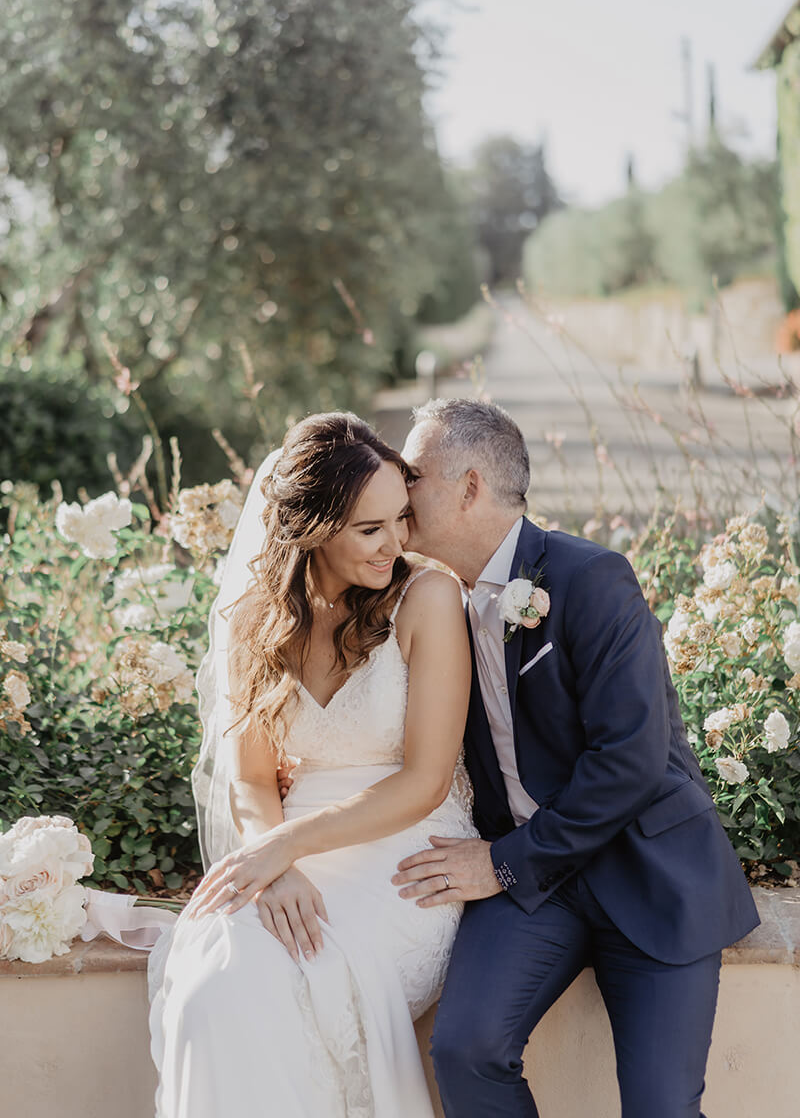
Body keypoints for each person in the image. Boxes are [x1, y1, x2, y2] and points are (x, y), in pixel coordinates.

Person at [391, 397, 760, 1118]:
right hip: (536, 886)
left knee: (661, 1108)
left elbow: (631, 759)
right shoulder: (427, 598)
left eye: (414, 473)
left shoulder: (591, 578)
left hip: (648, 872)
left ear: (468, 486)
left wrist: (502, 862)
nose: (399, 490)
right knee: (464, 1051)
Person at [148, 412, 477, 1118]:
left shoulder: (429, 598)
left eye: (402, 520)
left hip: (404, 848)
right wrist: (277, 867)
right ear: (313, 529)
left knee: (298, 977)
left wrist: (281, 849)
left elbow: (425, 782)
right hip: (283, 840)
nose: (396, 542)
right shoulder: (253, 619)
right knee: (214, 982)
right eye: (369, 529)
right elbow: (250, 778)